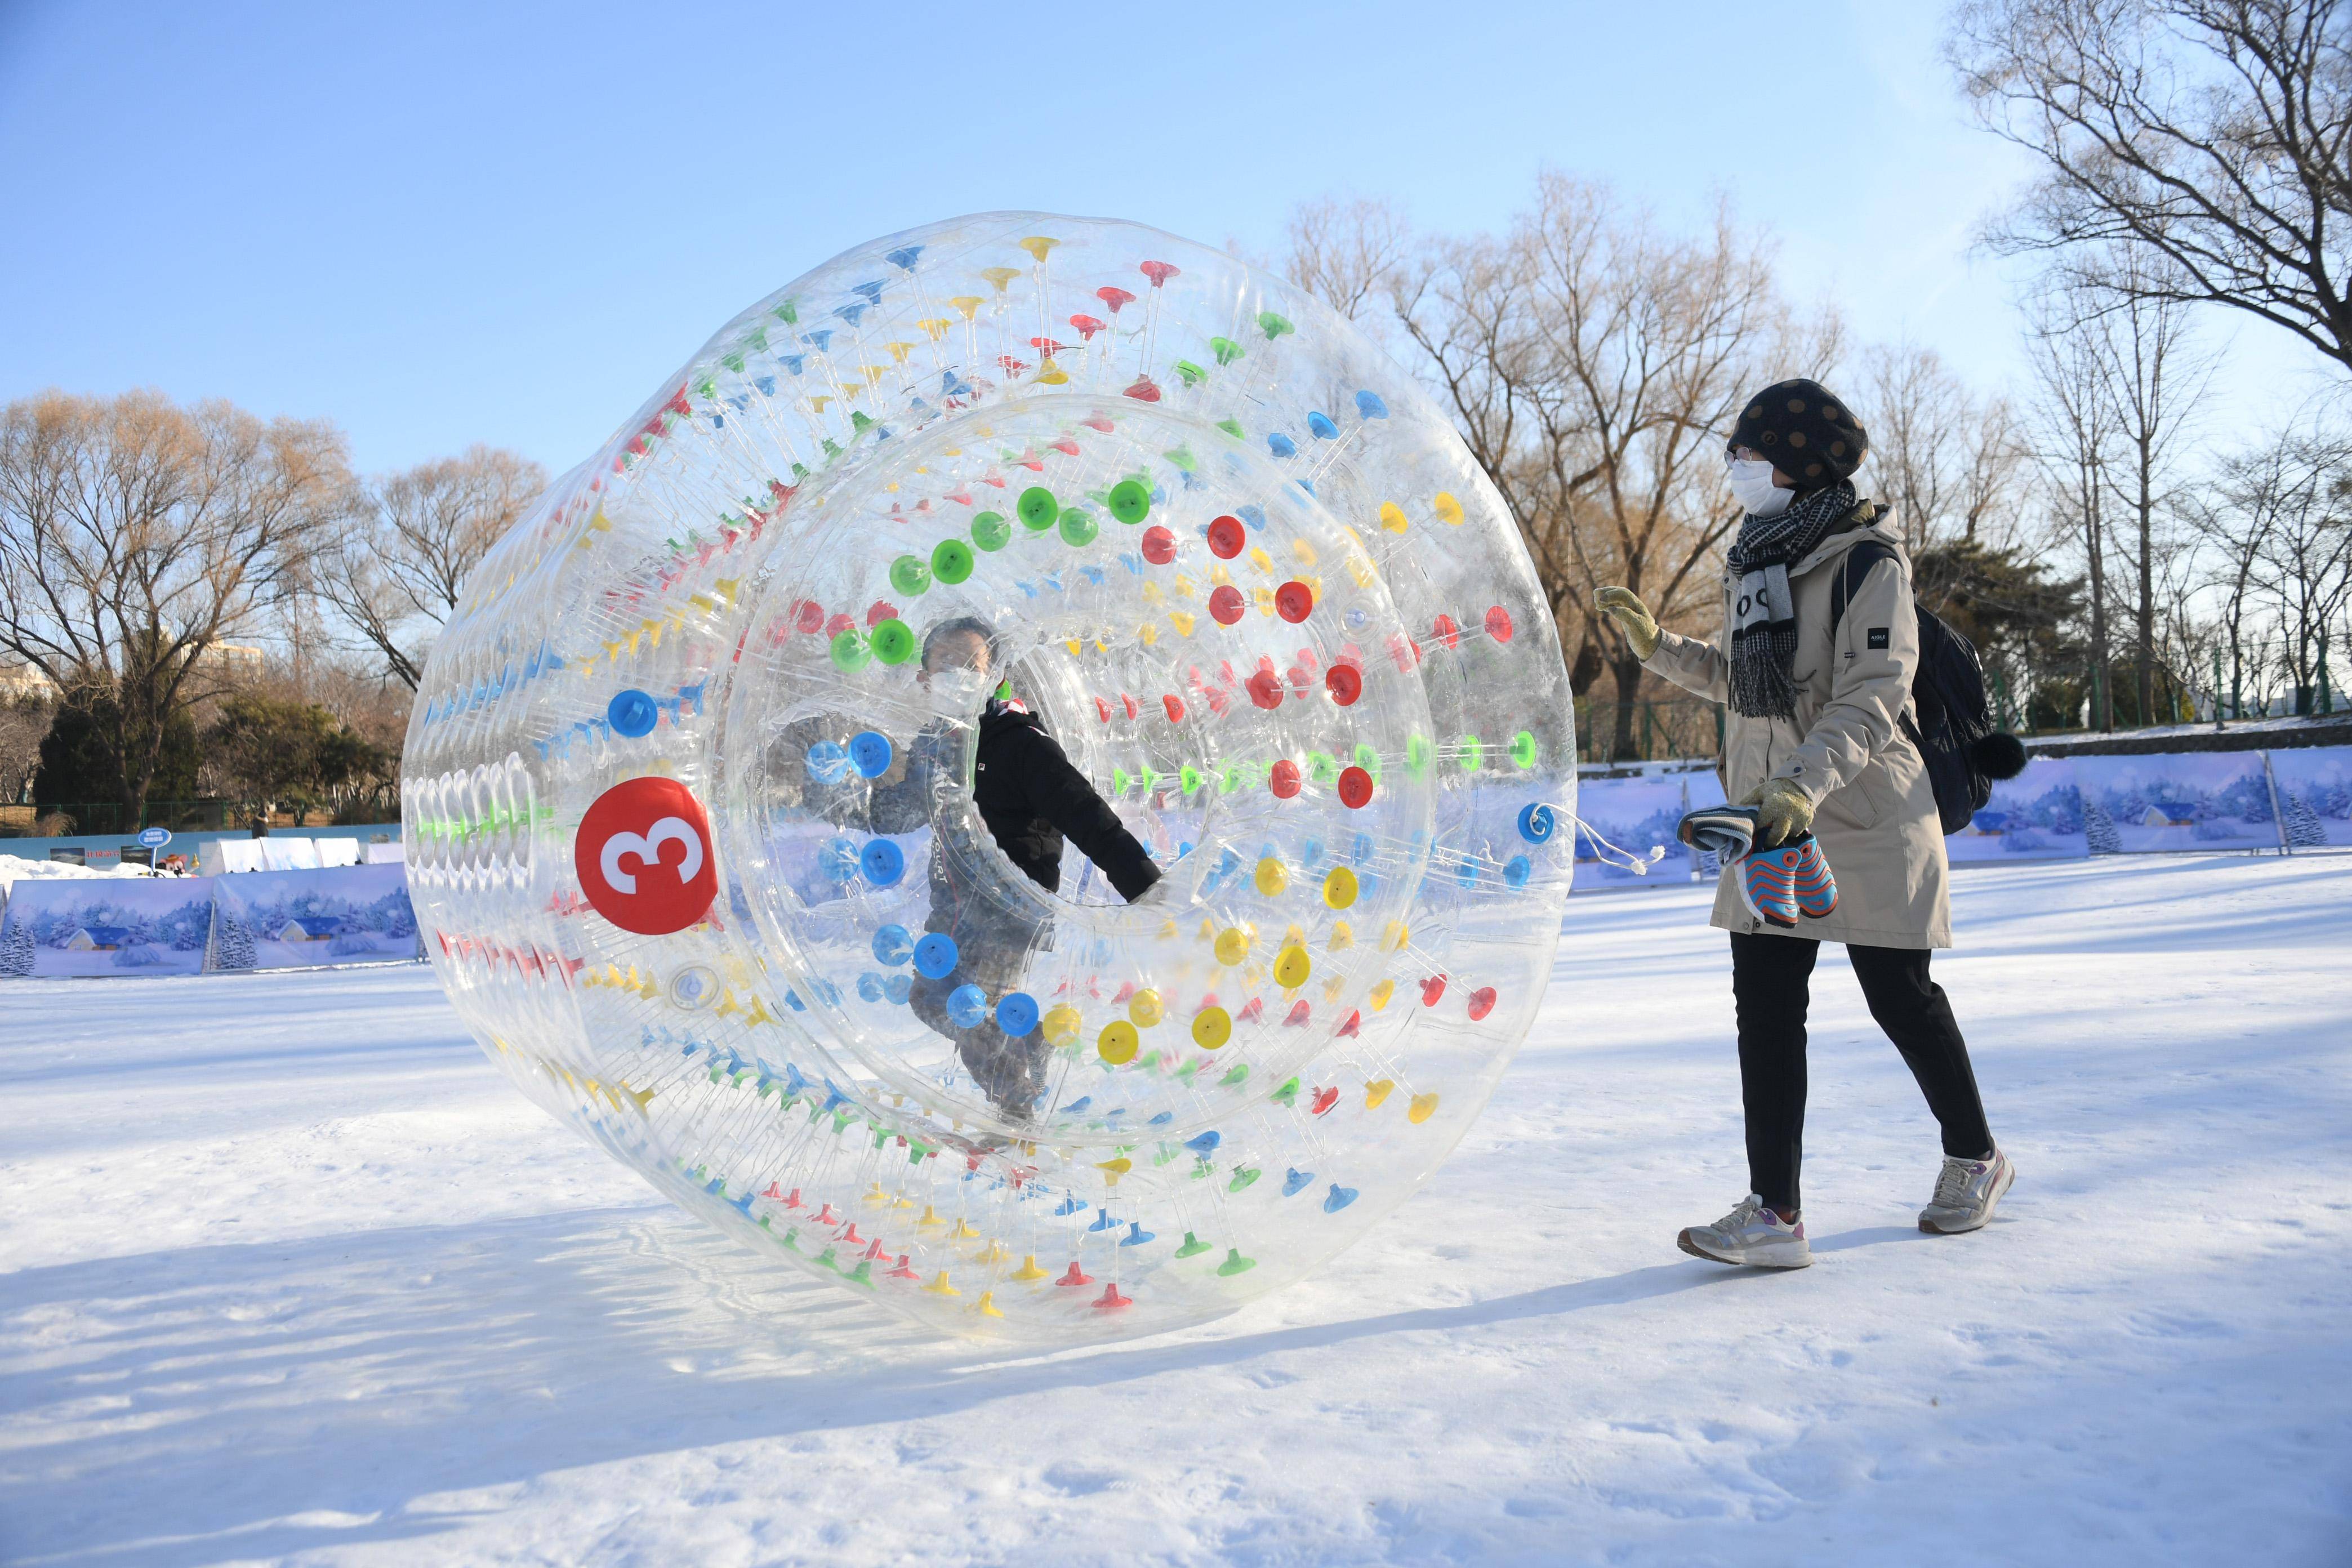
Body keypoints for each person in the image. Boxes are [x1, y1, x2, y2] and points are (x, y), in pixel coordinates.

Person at [1595, 377, 2012, 1270]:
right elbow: (1746, 685)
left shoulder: (1869, 564)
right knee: (1766, 1006)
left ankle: (1976, 1156)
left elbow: (1872, 697)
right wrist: (1658, 648)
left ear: (1796, 463)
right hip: (1773, 816)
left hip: (1862, 811)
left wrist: (1801, 786)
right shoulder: (1757, 560)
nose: (1735, 467)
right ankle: (1775, 1212)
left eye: (1748, 453)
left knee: (1900, 998)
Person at [866, 617, 1160, 1119]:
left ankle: (1016, 1112)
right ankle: (1030, 1040)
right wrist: (855, 799)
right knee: (929, 998)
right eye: (947, 663)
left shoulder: (1020, 742)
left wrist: (1141, 881)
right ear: (925, 678)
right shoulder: (935, 742)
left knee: (967, 1005)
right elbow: (907, 811)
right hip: (953, 899)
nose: (959, 673)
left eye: (972, 664)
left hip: (1011, 902)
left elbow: (1082, 811)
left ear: (995, 676)